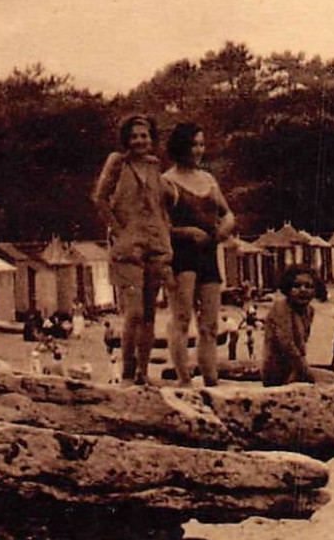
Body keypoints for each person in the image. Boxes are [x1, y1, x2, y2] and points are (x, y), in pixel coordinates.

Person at [261, 266, 334, 486]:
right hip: (280, 374)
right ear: (288, 287)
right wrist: (309, 377)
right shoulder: (281, 307)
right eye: (297, 286)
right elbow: (288, 347)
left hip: (298, 370)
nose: (303, 290)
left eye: (308, 286)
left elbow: (301, 349)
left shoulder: (309, 311)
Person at [93, 114, 175, 385]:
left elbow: (160, 204)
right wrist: (119, 231)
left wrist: (165, 234)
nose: (140, 141)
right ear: (126, 139)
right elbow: (100, 199)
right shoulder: (117, 162)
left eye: (145, 135)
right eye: (134, 136)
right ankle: (128, 370)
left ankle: (143, 371)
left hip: (155, 243)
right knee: (135, 311)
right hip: (128, 248)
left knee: (151, 312)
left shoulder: (155, 166)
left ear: (152, 138)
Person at [162, 122, 235, 387]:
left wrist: (226, 227)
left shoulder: (209, 180)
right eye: (193, 144)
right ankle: (184, 379)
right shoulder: (167, 181)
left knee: (211, 324)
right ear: (180, 146)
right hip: (181, 256)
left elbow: (227, 212)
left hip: (208, 253)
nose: (198, 150)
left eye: (202, 144)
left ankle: (210, 377)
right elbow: (161, 227)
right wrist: (187, 232)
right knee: (182, 319)